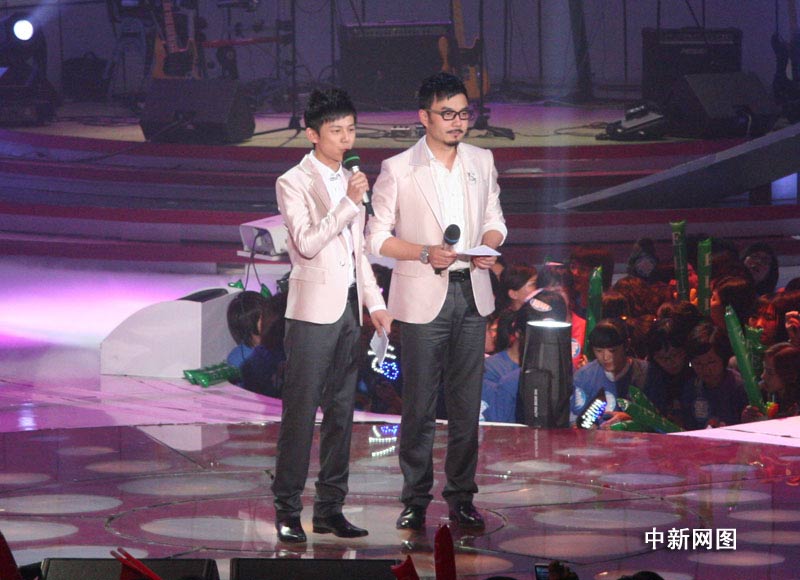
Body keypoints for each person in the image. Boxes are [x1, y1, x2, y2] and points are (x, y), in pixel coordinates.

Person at [367, 72, 506, 532]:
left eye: (463, 113)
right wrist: (424, 252)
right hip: (422, 296)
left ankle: (462, 497)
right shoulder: (398, 168)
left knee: (467, 406)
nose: (457, 122)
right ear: (424, 117)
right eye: (447, 114)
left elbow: (495, 220)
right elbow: (376, 238)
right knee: (420, 407)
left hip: (472, 292)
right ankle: (415, 499)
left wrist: (488, 246)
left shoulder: (481, 159)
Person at [271, 87, 392, 544]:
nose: (346, 139)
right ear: (313, 134)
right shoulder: (293, 182)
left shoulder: (351, 178)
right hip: (310, 315)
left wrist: (375, 304)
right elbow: (306, 242)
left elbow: (358, 252)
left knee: (342, 412)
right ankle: (287, 509)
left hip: (348, 311)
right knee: (301, 415)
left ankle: (330, 509)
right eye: (336, 131)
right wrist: (347, 203)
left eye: (351, 130)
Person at [569, 318, 649, 429]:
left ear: (626, 345)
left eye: (612, 351)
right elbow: (575, 424)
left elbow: (660, 421)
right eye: (599, 351)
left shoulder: (647, 374)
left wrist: (630, 419)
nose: (605, 357)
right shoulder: (583, 377)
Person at [682, 321, 747, 429]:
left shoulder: (739, 387)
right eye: (698, 363)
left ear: (723, 358)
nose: (705, 369)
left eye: (711, 362)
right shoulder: (691, 388)